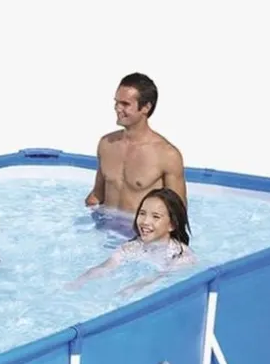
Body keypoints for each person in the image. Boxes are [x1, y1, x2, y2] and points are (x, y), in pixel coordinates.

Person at [84, 73, 187, 214]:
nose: (118, 108)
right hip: (105, 224)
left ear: (146, 107)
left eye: (125, 104)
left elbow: (178, 212)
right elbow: (97, 195)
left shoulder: (167, 155)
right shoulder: (106, 144)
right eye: (116, 102)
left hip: (137, 227)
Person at [67, 189, 196, 297]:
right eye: (142, 213)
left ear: (172, 225)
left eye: (156, 216)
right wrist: (79, 281)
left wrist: (130, 290)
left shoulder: (181, 256)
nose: (145, 222)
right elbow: (106, 266)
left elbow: (159, 279)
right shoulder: (133, 247)